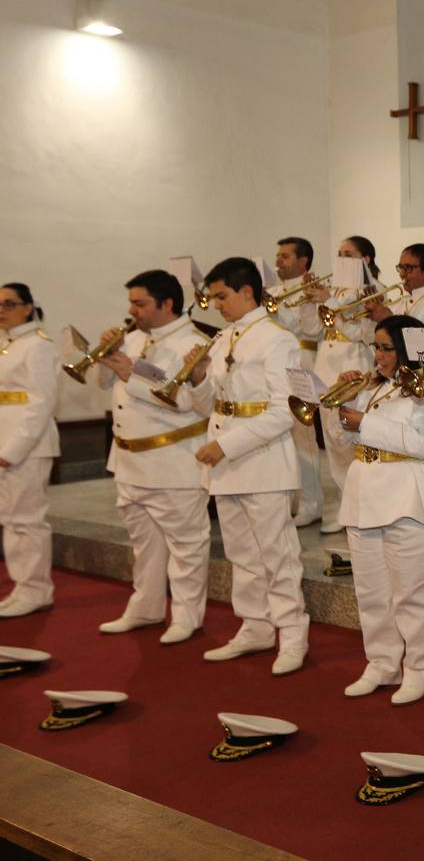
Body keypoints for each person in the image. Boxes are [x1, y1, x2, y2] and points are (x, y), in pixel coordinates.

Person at [186, 258, 310, 675]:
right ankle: (255, 626)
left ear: (246, 292)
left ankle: (292, 634)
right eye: (212, 297)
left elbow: (284, 411)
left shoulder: (278, 339)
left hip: (263, 460)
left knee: (277, 552)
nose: (216, 304)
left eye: (221, 296)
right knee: (241, 552)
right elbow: (209, 405)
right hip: (227, 461)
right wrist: (198, 378)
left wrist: (226, 445)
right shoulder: (224, 337)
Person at [330, 314, 424, 705]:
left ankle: (420, 669)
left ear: (407, 350)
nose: (378, 356)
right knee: (371, 593)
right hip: (364, 498)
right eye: (376, 347)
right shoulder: (374, 388)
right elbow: (342, 440)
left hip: (410, 498)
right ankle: (382, 663)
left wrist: (364, 422)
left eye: (386, 348)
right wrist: (343, 401)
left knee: (413, 595)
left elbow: (423, 442)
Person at [95, 270, 213, 642]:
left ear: (167, 303)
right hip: (129, 460)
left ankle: (187, 617)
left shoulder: (193, 343)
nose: (132, 310)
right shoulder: (132, 338)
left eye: (140, 303)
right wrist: (105, 358)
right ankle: (145, 608)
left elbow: (187, 402)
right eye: (131, 302)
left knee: (186, 545)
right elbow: (106, 385)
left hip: (172, 460)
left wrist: (132, 375)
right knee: (143, 544)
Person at [299, 236, 379, 535]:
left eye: (349, 254)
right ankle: (345, 509)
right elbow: (311, 329)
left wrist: (329, 301)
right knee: (332, 445)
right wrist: (310, 301)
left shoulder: (374, 290)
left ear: (365, 259)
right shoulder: (333, 290)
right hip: (326, 368)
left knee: (353, 444)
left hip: (355, 365)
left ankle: (362, 509)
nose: (342, 258)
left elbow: (363, 332)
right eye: (339, 253)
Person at [0, 283, 60, 619]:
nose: (1, 310)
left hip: (28, 446)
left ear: (28, 307)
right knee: (10, 519)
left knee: (27, 519)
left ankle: (36, 590)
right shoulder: (10, 344)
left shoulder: (38, 345)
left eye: (9, 304)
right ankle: (22, 587)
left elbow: (41, 403)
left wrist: (13, 449)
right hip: (6, 442)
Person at [269, 236, 325, 528]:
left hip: (303, 362)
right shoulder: (272, 292)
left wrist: (305, 300)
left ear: (303, 261)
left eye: (285, 256)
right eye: (278, 256)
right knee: (279, 436)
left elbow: (311, 330)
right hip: (275, 366)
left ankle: (311, 503)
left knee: (304, 439)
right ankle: (287, 498)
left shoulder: (315, 289)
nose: (278, 260)